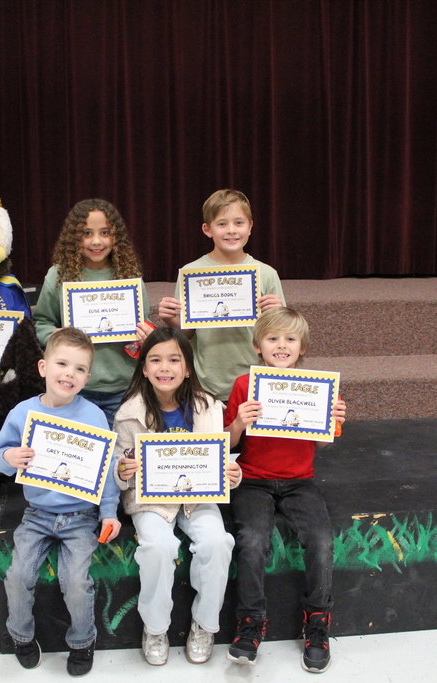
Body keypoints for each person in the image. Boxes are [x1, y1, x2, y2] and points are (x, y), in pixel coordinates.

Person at [223, 307, 347, 673]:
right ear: (257, 346)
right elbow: (228, 443)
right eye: (273, 338)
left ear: (302, 347)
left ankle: (318, 622)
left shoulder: (317, 387)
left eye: (290, 339)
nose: (281, 345)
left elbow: (322, 446)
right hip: (253, 479)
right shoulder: (244, 385)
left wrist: (332, 423)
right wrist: (238, 423)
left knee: (321, 539)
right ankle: (250, 622)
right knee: (251, 540)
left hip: (299, 481)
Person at [0, 327, 122, 677]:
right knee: (18, 574)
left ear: (88, 377)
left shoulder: (94, 416)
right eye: (62, 363)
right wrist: (10, 457)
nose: (69, 373)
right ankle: (21, 636)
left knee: (77, 582)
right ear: (43, 367)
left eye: (80, 369)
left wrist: (109, 513)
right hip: (37, 514)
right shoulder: (22, 414)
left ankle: (82, 643)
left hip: (81, 516)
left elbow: (107, 470)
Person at [114, 327, 243, 666]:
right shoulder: (128, 413)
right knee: (159, 547)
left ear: (187, 367)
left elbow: (223, 460)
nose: (164, 367)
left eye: (174, 359)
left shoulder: (210, 407)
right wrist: (123, 472)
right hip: (150, 500)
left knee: (218, 543)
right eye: (155, 360)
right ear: (143, 368)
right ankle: (155, 628)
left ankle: (204, 624)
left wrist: (232, 473)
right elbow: (118, 466)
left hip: (196, 498)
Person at [33, 199, 154, 426]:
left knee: (119, 458)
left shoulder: (129, 275)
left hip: (123, 388)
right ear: (73, 237)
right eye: (87, 233)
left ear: (116, 236)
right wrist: (55, 335)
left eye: (105, 232)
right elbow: (40, 323)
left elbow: (143, 324)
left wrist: (147, 337)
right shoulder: (59, 275)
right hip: (73, 389)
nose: (96, 241)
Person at [157, 189, 285, 401]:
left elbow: (281, 335)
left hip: (255, 378)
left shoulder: (267, 274)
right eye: (222, 224)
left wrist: (278, 314)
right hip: (208, 382)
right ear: (207, 229)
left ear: (250, 227)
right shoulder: (191, 273)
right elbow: (187, 334)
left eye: (239, 223)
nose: (231, 231)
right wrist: (172, 321)